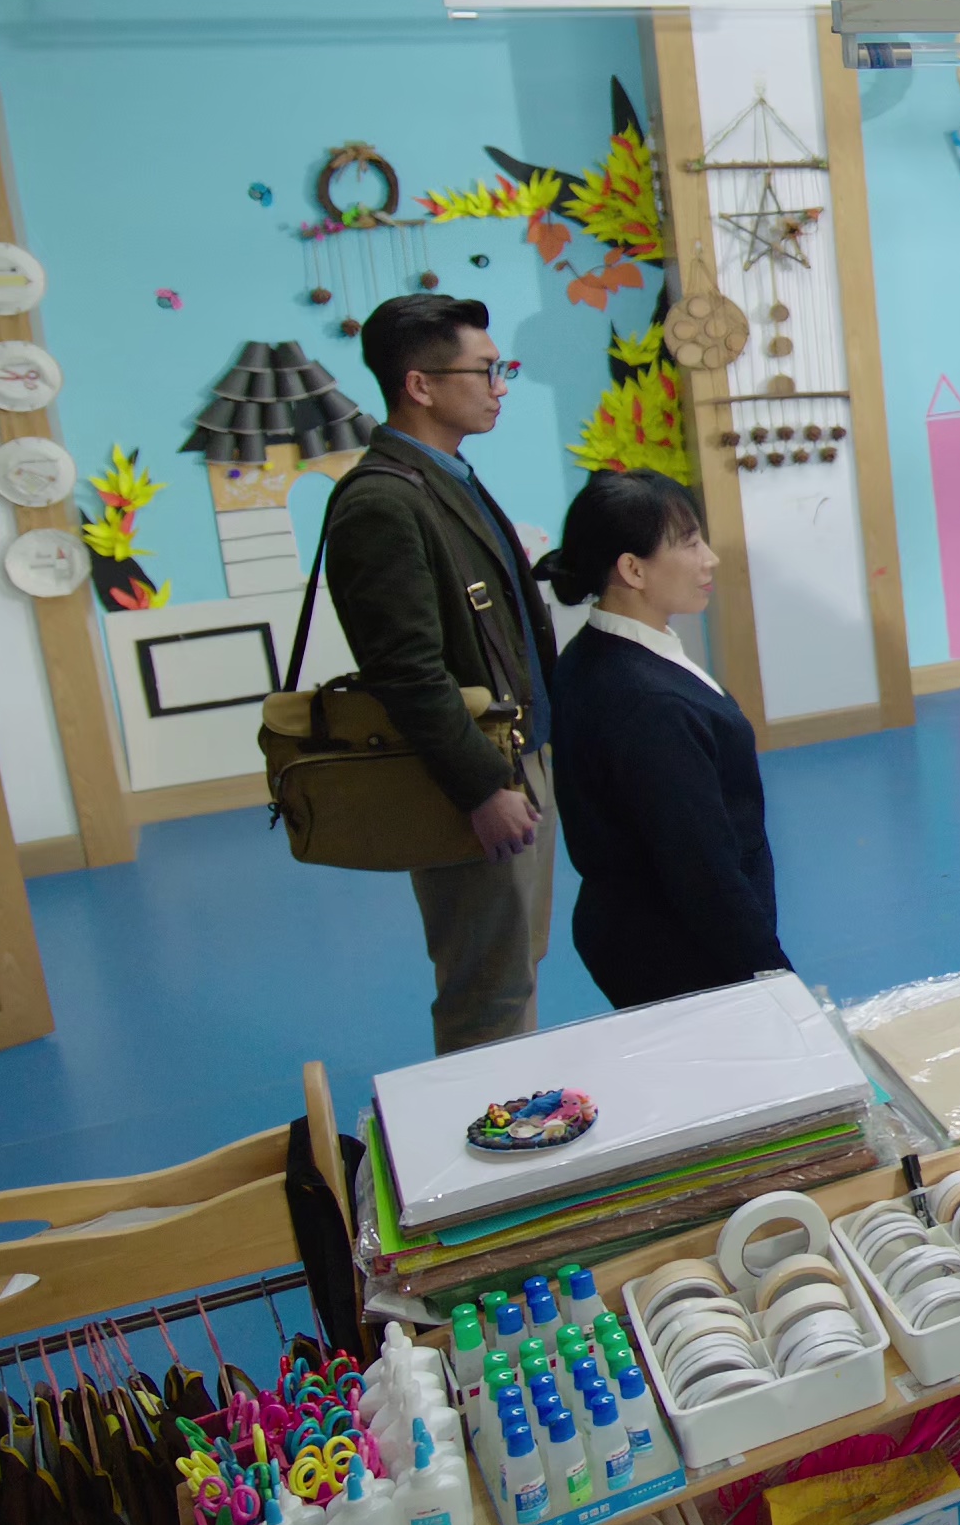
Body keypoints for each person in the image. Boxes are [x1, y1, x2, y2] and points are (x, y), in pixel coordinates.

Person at [324, 294, 558, 1053]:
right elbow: (406, 672)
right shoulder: (383, 502)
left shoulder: (444, 474)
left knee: (517, 963)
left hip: (517, 758)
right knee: (487, 987)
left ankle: (517, 1105)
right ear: (420, 385)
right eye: (485, 370)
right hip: (477, 777)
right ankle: (491, 1122)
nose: (500, 386)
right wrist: (482, 789)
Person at [536, 472, 787, 1012]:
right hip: (680, 951)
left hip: (634, 926)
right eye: (690, 543)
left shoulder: (595, 653)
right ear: (633, 569)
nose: (709, 559)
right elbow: (700, 869)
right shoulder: (649, 704)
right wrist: (773, 978)